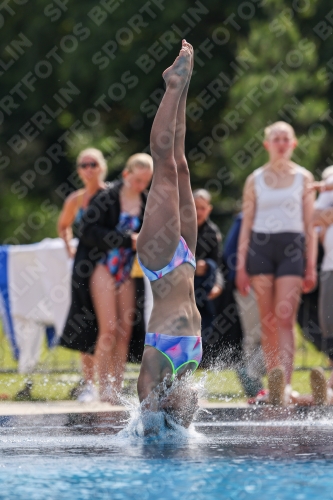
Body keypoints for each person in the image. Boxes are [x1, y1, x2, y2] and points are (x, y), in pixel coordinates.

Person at [136, 41, 202, 430]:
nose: (196, 404)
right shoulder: (186, 372)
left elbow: (144, 417)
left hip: (162, 263)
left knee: (164, 167)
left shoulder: (155, 370)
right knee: (179, 165)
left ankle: (173, 86)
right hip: (187, 258)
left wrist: (150, 419)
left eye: (189, 408)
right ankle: (184, 83)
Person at [61, 153, 153, 403]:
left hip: (128, 269)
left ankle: (117, 387)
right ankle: (103, 388)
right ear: (126, 174)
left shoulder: (147, 201)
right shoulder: (107, 197)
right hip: (102, 264)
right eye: (137, 180)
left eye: (146, 181)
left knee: (125, 331)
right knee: (108, 330)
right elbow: (88, 231)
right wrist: (126, 240)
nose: (140, 185)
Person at [236, 121, 317, 405]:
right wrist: (240, 265)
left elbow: (311, 226)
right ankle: (274, 384)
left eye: (286, 139)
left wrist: (311, 265)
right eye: (276, 138)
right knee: (267, 320)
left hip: (292, 247)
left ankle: (287, 384)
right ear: (267, 144)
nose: (281, 143)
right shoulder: (254, 179)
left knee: (285, 318)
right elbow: (245, 224)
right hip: (260, 246)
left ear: (293, 144)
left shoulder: (304, 178)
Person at [57, 148, 107, 402]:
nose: (88, 169)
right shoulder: (75, 200)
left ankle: (109, 380)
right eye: (83, 165)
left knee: (110, 324)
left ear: (102, 167)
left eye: (93, 164)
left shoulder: (111, 195)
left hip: (109, 265)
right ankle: (89, 383)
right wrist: (69, 247)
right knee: (85, 321)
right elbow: (63, 225)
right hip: (83, 265)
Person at [193, 189, 223, 363]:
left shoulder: (212, 232)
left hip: (203, 287)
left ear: (209, 209)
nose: (198, 212)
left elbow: (217, 263)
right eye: (195, 207)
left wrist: (217, 284)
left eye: (202, 208)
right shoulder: (179, 227)